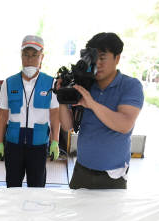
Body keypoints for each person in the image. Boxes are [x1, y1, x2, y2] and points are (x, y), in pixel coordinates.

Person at [58, 32, 143, 189]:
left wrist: (92, 104)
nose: (97, 63)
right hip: (81, 171)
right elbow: (67, 125)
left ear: (117, 58)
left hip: (112, 176)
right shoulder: (85, 85)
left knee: (111, 214)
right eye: (93, 58)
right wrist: (62, 98)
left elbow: (125, 124)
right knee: (76, 213)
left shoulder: (130, 86)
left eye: (102, 57)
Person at [0, 36, 60, 188]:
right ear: (21, 56)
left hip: (38, 145)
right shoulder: (9, 82)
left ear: (41, 57)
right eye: (26, 55)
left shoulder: (51, 83)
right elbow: (2, 115)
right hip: (13, 144)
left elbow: (55, 114)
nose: (30, 59)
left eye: (34, 55)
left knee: (37, 187)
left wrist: (55, 141)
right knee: (12, 186)